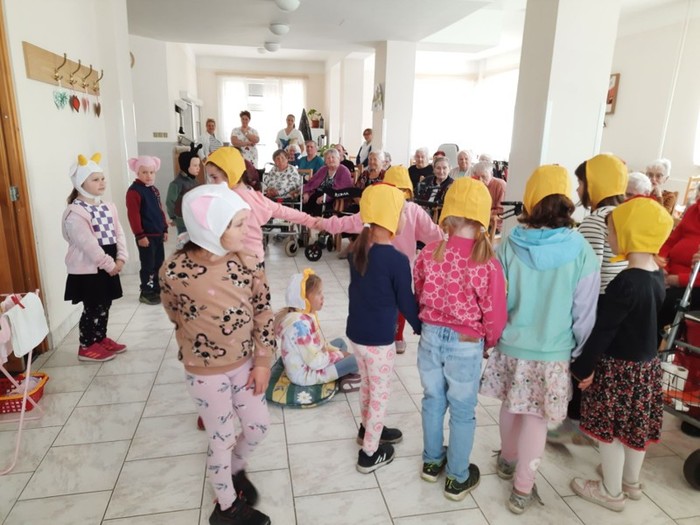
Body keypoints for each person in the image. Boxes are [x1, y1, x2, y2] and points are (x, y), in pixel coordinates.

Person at [479, 165, 600, 514]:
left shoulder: (510, 243)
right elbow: (585, 310)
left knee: (510, 405)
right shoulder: (582, 250)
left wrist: (492, 337)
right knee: (537, 419)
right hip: (553, 351)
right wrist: (580, 353)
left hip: (511, 345)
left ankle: (506, 459)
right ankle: (522, 489)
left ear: (531, 199)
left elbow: (495, 299)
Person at [160, 183, 273, 525]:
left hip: (246, 365)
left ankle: (235, 469)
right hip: (204, 372)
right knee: (220, 438)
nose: (246, 230)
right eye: (238, 224)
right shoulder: (173, 270)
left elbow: (263, 312)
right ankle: (226, 507)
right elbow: (173, 311)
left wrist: (263, 361)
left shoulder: (249, 262)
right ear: (209, 228)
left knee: (257, 427)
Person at [569, 197, 673, 513]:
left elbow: (603, 332)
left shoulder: (625, 282)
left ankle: (610, 491)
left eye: (612, 230)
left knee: (610, 433)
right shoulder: (657, 275)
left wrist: (582, 368)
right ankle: (630, 482)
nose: (610, 237)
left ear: (631, 233)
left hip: (618, 371)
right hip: (646, 369)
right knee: (633, 428)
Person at [414, 177, 507, 501]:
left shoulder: (429, 253)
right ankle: (456, 478)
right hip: (466, 343)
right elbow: (494, 313)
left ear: (447, 214)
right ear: (483, 218)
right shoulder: (487, 263)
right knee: (463, 411)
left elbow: (418, 290)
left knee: (432, 400)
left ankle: (431, 462)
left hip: (430, 336)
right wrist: (490, 341)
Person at [548, 154, 628, 445]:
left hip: (600, 301)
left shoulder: (596, 220)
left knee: (582, 361)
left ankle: (573, 422)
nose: (578, 189)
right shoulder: (623, 214)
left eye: (581, 182)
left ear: (596, 183)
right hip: (622, 301)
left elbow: (589, 271)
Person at [319, 165, 443, 353]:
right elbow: (434, 235)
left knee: (377, 300)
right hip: (401, 267)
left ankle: (380, 336)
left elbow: (348, 222)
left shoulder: (377, 208)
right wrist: (455, 241)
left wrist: (322, 223)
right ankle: (397, 337)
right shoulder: (413, 210)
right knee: (400, 300)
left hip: (375, 266)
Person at [347, 183, 422, 474]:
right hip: (379, 341)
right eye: (402, 213)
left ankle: (367, 428)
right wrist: (420, 326)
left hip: (357, 335)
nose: (404, 218)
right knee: (379, 394)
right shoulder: (397, 260)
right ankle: (370, 453)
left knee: (367, 384)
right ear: (391, 217)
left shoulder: (356, 250)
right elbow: (406, 302)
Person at [62, 153, 128, 362]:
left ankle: (100, 338)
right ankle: (86, 345)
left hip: (109, 262)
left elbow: (119, 233)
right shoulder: (75, 212)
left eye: (102, 178)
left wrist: (121, 257)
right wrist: (109, 264)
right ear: (81, 184)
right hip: (90, 268)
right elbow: (89, 245)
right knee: (93, 306)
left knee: (105, 303)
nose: (102, 182)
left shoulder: (108, 207)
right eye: (95, 179)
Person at [205, 147, 317, 261]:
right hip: (269, 196)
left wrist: (278, 192)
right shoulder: (272, 171)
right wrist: (269, 190)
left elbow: (293, 184)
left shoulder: (292, 170)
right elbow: (266, 181)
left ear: (287, 159)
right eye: (277, 159)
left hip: (286, 195)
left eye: (282, 158)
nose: (279, 161)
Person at [274, 269, 358, 386]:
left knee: (340, 342)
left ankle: (341, 370)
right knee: (356, 360)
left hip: (308, 362)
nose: (322, 297)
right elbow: (315, 362)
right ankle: (343, 373)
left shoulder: (300, 315)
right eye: (318, 293)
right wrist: (340, 355)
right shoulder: (300, 326)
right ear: (304, 299)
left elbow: (317, 346)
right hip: (304, 375)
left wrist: (337, 354)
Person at [125, 155, 169, 306]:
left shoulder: (154, 190)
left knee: (159, 264)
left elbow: (160, 211)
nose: (148, 176)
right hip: (146, 236)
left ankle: (157, 289)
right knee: (148, 265)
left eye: (151, 172)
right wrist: (140, 235)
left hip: (158, 234)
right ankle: (146, 291)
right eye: (144, 172)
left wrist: (165, 229)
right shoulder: (134, 192)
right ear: (137, 172)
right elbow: (133, 216)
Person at [657, 195, 700, 341]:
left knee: (658, 304)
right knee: (642, 290)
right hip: (669, 275)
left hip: (693, 284)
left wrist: (677, 280)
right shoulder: (693, 209)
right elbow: (671, 241)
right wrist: (662, 265)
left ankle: (644, 351)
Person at [302, 148, 354, 217]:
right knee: (305, 201)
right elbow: (312, 182)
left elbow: (342, 189)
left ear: (338, 158)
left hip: (333, 198)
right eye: (328, 158)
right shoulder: (323, 169)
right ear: (325, 161)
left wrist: (326, 197)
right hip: (318, 194)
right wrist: (307, 193)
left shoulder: (343, 170)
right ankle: (304, 222)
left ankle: (317, 222)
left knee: (319, 205)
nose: (330, 160)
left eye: (333, 157)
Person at [166, 143, 202, 234]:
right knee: (184, 240)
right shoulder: (176, 184)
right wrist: (173, 218)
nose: (198, 168)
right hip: (182, 222)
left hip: (194, 219)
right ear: (186, 165)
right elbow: (169, 202)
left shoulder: (195, 181)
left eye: (198, 165)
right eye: (195, 165)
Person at [472, 161, 506, 232]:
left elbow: (502, 211)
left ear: (491, 174)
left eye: (484, 176)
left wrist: (480, 213)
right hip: (479, 222)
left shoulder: (500, 185)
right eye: (478, 177)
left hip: (494, 225)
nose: (480, 180)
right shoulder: (475, 184)